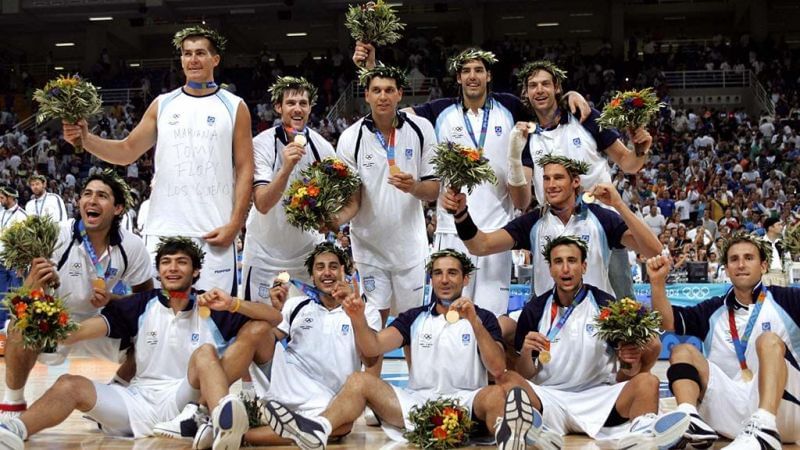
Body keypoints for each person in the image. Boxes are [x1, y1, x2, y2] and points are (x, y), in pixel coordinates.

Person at [352, 45, 591, 322]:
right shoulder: (437, 112)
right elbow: (390, 109)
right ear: (458, 78)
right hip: (450, 232)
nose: (472, 76)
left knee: (490, 321)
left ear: (489, 75)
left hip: (495, 236)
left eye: (479, 70)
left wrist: (570, 94)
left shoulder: (511, 108)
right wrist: (371, 69)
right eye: (466, 71)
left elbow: (545, 105)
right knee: (446, 318)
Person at [0, 237, 281, 449]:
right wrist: (34, 305)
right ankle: (14, 430)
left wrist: (232, 303)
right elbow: (75, 333)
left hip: (188, 401)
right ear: (158, 271)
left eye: (181, 262)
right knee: (69, 384)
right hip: (138, 401)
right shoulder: (140, 305)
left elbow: (273, 319)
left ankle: (220, 425)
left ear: (195, 272)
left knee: (205, 352)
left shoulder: (215, 304)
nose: (172, 268)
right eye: (166, 262)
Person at [258, 249, 547, 450]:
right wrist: (357, 317)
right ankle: (317, 430)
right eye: (438, 273)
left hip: (467, 401)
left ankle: (512, 439)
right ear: (431, 279)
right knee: (359, 382)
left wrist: (475, 323)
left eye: (452, 273)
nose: (445, 280)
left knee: (498, 393)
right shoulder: (413, 317)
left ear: (465, 279)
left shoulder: (482, 317)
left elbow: (497, 368)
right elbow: (372, 346)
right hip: (417, 404)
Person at [61, 26, 254, 294]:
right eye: (187, 54)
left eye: (200, 53)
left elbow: (246, 169)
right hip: (163, 229)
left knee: (214, 318)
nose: (193, 60)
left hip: (214, 231)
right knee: (158, 317)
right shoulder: (163, 103)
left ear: (215, 59)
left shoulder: (234, 106)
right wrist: (85, 139)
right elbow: (127, 151)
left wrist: (235, 224)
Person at [499, 236, 689, 449]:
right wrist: (525, 352)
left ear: (584, 266)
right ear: (550, 269)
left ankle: (642, 433)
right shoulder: (534, 310)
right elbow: (526, 374)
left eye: (572, 261)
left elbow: (626, 372)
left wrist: (630, 363)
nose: (565, 269)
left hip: (600, 398)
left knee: (647, 382)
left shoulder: (606, 305)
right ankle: (538, 432)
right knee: (509, 379)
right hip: (550, 398)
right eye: (558, 262)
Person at [1, 171, 154, 416]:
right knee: (19, 324)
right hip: (54, 323)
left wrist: (112, 298)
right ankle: (12, 404)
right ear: (79, 202)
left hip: (99, 325)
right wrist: (33, 281)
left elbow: (148, 304)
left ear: (118, 208)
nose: (92, 201)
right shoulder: (56, 235)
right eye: (87, 194)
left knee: (152, 333)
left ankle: (114, 399)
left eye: (102, 196)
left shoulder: (132, 245)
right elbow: (22, 299)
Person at [647, 234, 800, 449]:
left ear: (763, 265)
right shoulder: (712, 309)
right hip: (727, 413)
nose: (741, 264)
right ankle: (689, 420)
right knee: (682, 351)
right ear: (726, 269)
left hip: (783, 413)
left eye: (749, 258)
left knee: (768, 340)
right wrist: (657, 283)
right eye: (734, 259)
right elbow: (667, 322)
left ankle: (765, 426)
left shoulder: (789, 300)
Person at [516, 60, 653, 299]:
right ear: (525, 93)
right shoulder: (527, 136)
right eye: (533, 85)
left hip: (602, 224)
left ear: (557, 87)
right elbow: (522, 197)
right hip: (553, 225)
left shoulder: (586, 118)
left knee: (619, 301)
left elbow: (628, 163)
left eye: (545, 84)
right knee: (548, 302)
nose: (539, 90)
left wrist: (639, 150)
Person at [227, 242, 382, 446]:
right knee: (257, 329)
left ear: (344, 271)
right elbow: (269, 339)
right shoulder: (296, 304)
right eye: (320, 267)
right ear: (312, 275)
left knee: (343, 426)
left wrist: (354, 314)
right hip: (289, 379)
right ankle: (212, 405)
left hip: (330, 394)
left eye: (333, 266)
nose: (327, 272)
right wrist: (275, 312)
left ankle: (240, 437)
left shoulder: (366, 311)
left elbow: (370, 358)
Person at [447, 154, 661, 298]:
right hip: (547, 325)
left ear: (575, 182)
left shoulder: (603, 219)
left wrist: (618, 204)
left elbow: (654, 251)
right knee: (503, 332)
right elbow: (481, 246)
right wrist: (461, 214)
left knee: (648, 345)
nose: (550, 185)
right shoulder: (533, 222)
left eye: (558, 178)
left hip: (595, 322)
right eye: (546, 179)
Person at [331, 65, 439, 323]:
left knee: (411, 324)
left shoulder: (421, 129)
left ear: (400, 94)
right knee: (372, 323)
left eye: (389, 90)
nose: (383, 96)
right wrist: (335, 220)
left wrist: (413, 187)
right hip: (369, 249)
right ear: (366, 94)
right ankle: (368, 367)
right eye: (376, 90)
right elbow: (353, 200)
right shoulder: (350, 138)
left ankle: (416, 366)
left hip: (410, 249)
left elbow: (433, 190)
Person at [241, 76, 335, 302]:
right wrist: (286, 167)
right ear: (278, 107)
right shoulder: (261, 145)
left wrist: (330, 219)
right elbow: (262, 204)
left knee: (306, 329)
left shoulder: (324, 149)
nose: (297, 109)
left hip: (306, 256)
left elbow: (334, 205)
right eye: (291, 103)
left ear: (310, 108)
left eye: (303, 103)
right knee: (259, 329)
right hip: (263, 256)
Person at [0, 186, 28, 296]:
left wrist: (22, 264)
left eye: (2, 198)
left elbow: (26, 242)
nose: (0, 200)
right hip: (1, 262)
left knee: (17, 297)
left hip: (15, 264)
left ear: (10, 198)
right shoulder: (1, 213)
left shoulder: (22, 216)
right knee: (1, 298)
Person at [762, 217, 788, 286]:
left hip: (781, 277)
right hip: (765, 277)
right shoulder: (761, 243)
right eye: (778, 225)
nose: (781, 227)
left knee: (782, 297)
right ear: (770, 228)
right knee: (762, 296)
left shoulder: (782, 243)